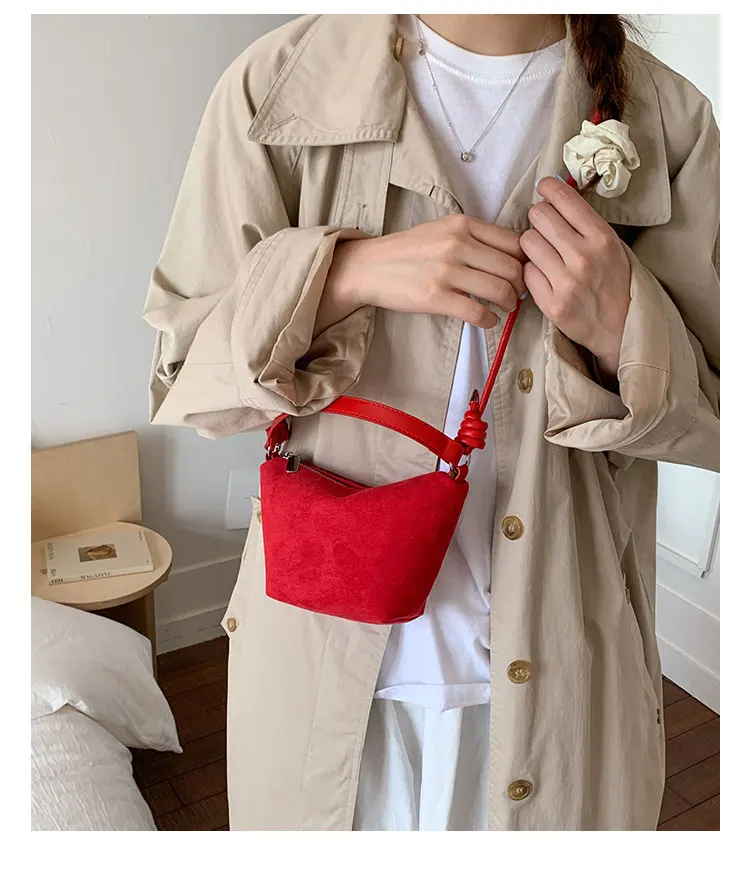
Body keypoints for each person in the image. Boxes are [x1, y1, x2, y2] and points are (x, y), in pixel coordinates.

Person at [142, 14, 719, 830]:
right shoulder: (278, 82)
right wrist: (342, 275)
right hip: (323, 672)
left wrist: (625, 328)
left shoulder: (670, 119)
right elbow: (187, 377)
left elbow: (718, 416)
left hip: (568, 683)